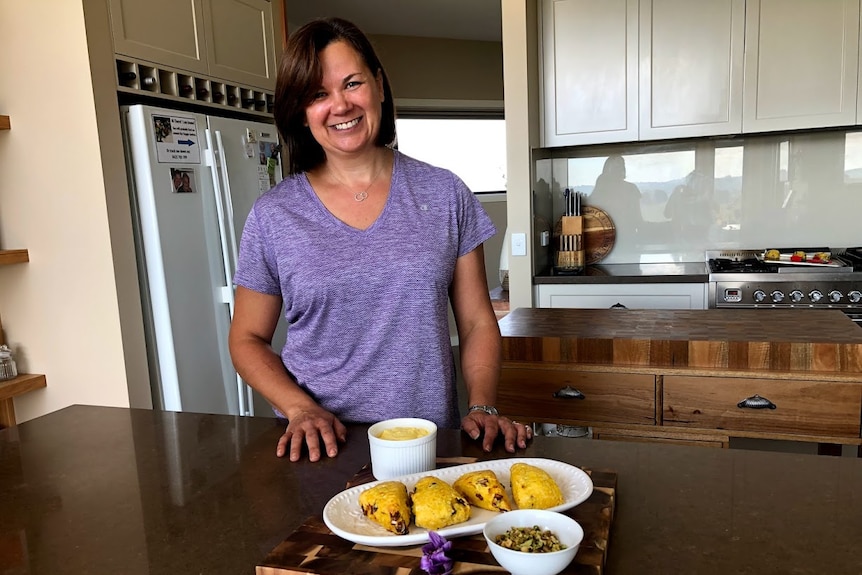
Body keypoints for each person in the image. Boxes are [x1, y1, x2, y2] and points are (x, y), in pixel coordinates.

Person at [228, 17, 530, 463]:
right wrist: (300, 408)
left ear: (380, 85)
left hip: (428, 443)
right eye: (318, 94)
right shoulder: (274, 215)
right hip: (319, 447)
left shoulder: (445, 193)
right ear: (301, 110)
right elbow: (247, 337)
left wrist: (482, 405)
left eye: (352, 83)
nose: (340, 105)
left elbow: (476, 322)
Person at [589, 155, 644, 245]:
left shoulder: (631, 188)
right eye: (616, 165)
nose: (620, 167)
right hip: (605, 240)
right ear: (607, 168)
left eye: (622, 164)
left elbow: (637, 218)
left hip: (627, 239)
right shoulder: (601, 188)